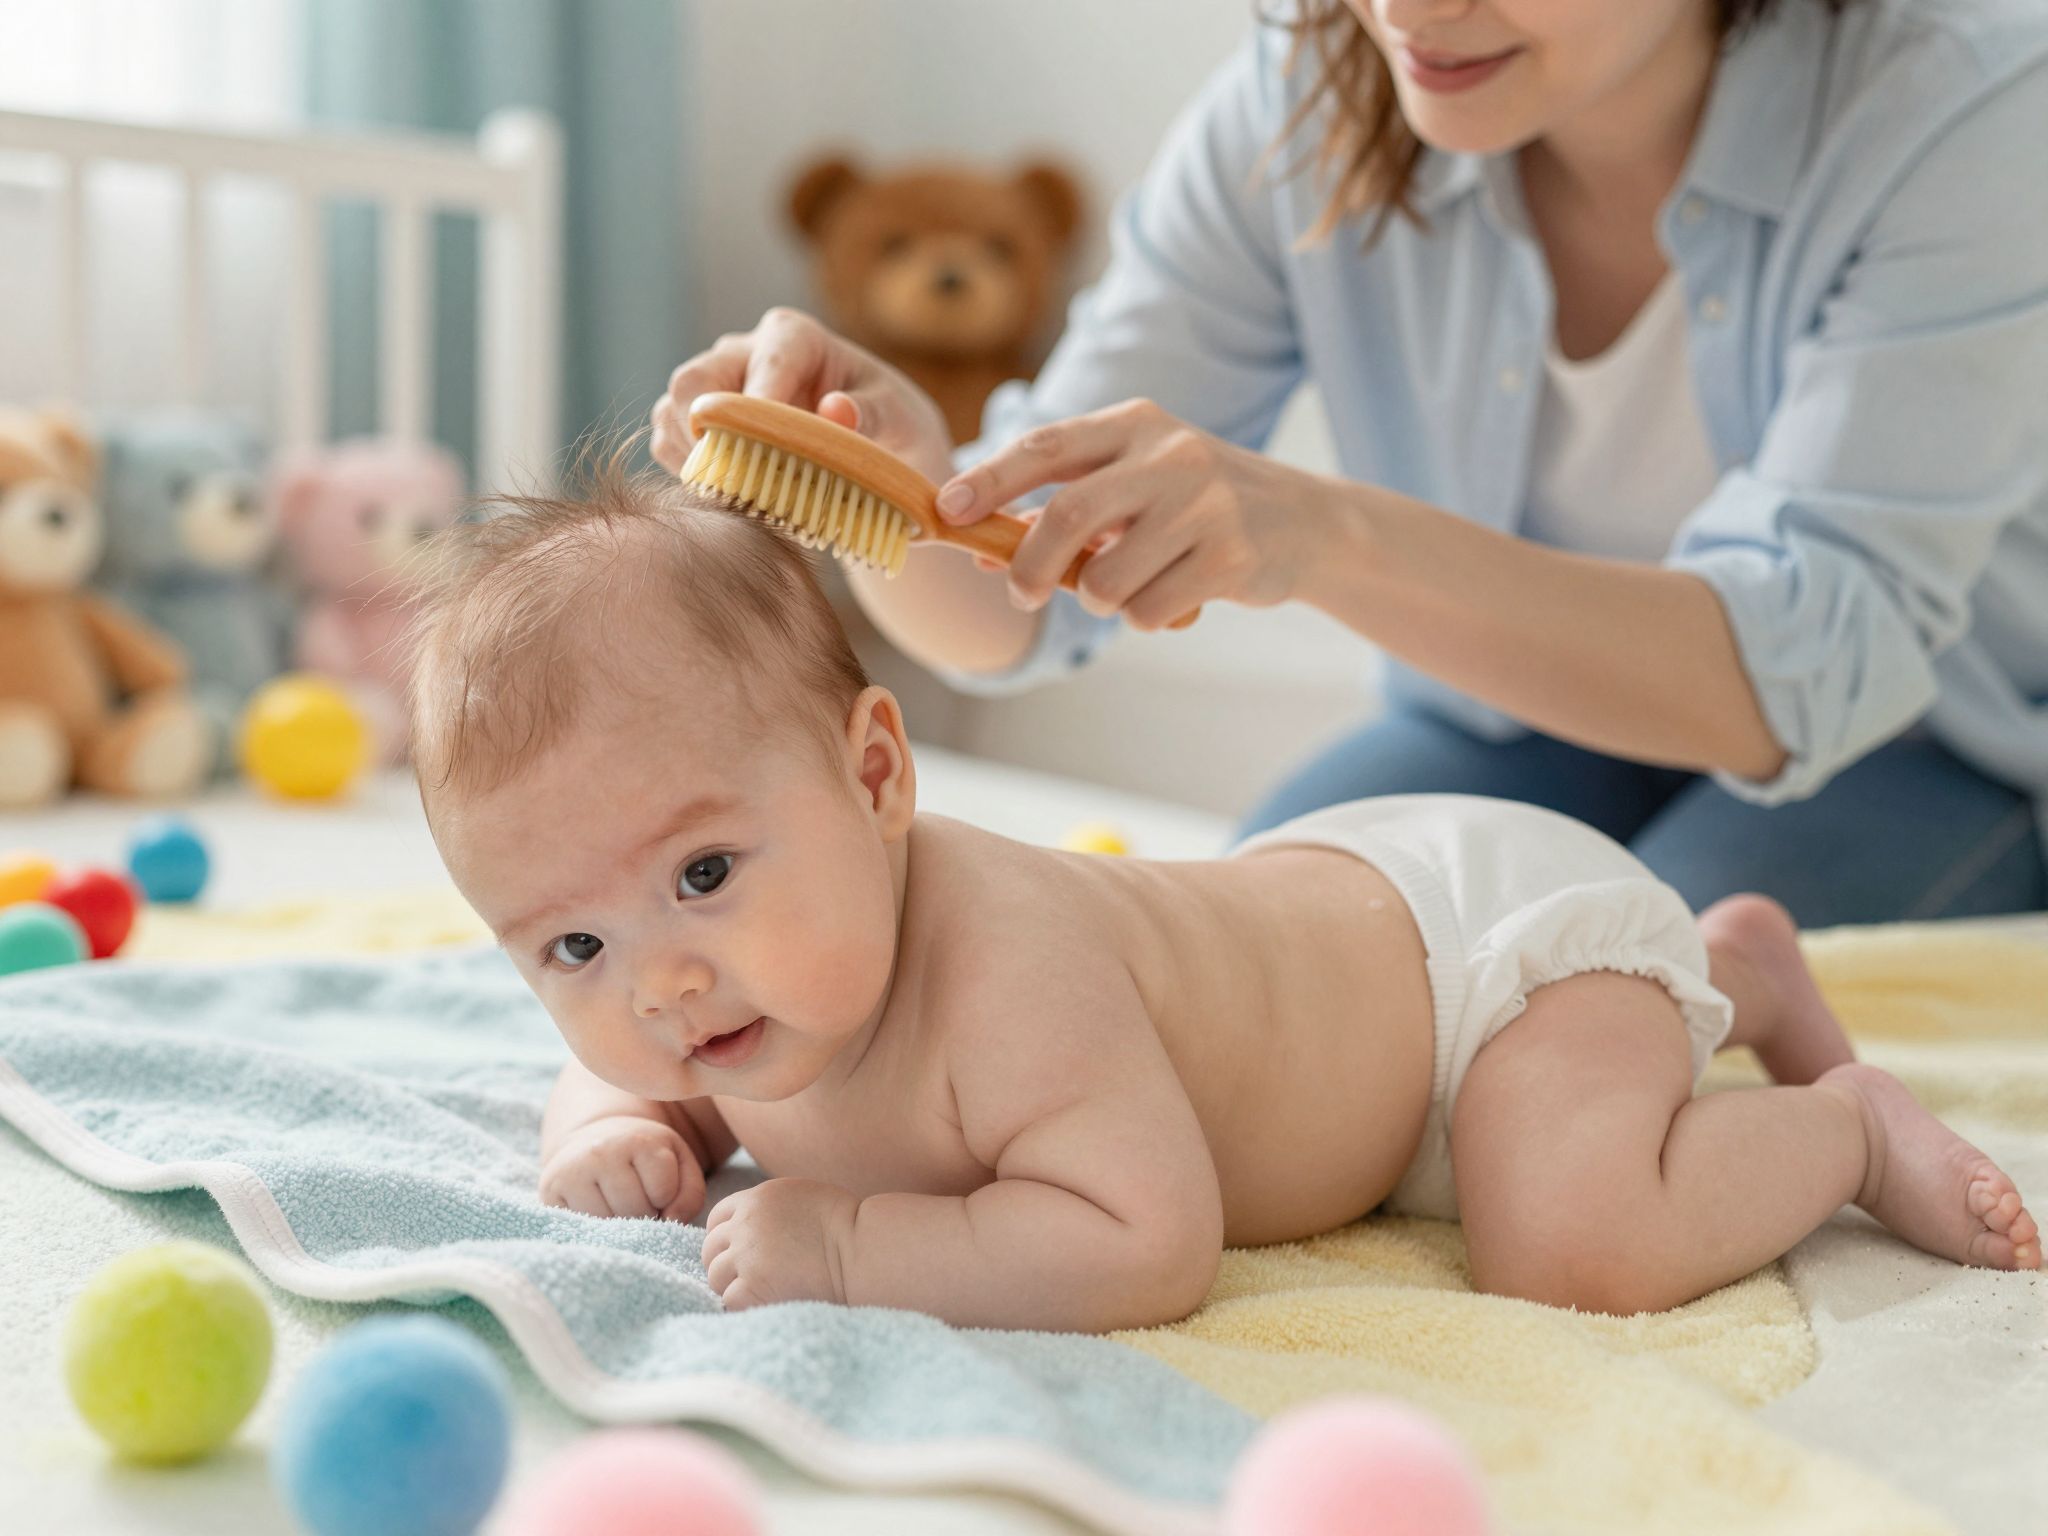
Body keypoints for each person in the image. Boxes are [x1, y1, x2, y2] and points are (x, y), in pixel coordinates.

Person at [402, 458, 2038, 1332]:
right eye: (573, 943)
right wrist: (605, 1126)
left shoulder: (1005, 968)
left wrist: (849, 1247)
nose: (663, 986)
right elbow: (640, 1066)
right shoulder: (739, 990)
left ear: (878, 778)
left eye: (702, 874)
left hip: (1476, 975)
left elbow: (1147, 1241)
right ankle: (1736, 967)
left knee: (1571, 1245)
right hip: (1340, 922)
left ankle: (1840, 1124)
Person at [651, 0, 2048, 929]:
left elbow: (1800, 675)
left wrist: (1322, 537)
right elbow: (1018, 607)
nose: (1410, 11)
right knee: (1234, 960)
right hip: (1502, 726)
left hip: (1926, 755)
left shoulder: (1969, 101)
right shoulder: (1306, 91)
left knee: (1629, 1001)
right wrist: (904, 481)